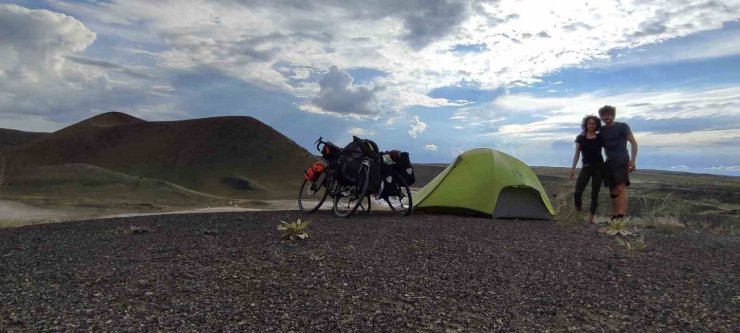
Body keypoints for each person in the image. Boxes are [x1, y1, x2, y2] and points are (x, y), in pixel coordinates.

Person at [598, 105, 638, 220]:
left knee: (620, 187)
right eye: (604, 115)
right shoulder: (602, 130)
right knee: (612, 189)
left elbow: (633, 143)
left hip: (621, 159)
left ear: (613, 115)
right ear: (601, 117)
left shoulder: (622, 126)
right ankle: (615, 215)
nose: (606, 117)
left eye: (609, 114)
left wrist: (633, 161)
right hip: (609, 161)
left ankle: (621, 216)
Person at [569, 115, 604, 223]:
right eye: (589, 123)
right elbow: (576, 154)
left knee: (595, 193)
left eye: (594, 123)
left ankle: (591, 218)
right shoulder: (581, 138)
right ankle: (578, 213)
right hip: (586, 167)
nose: (591, 125)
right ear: (586, 125)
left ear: (597, 125)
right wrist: (573, 169)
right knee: (577, 192)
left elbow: (610, 148)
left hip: (599, 167)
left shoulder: (600, 137)